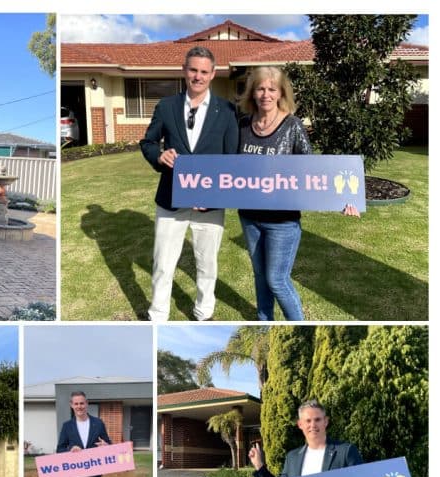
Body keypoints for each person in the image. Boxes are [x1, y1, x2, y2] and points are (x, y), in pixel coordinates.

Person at [237, 66, 359, 321]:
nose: (266, 94)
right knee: (260, 276)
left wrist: (342, 200)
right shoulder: (243, 125)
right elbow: (225, 169)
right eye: (260, 88)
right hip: (249, 217)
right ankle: (265, 322)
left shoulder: (292, 126)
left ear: (281, 92)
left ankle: (299, 326)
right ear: (252, 92)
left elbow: (312, 173)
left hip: (282, 222)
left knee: (276, 279)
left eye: (272, 89)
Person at [140, 46, 238, 322]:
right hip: (172, 199)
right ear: (185, 71)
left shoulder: (227, 111)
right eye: (193, 70)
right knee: (163, 263)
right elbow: (147, 142)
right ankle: (158, 314)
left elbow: (231, 159)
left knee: (207, 263)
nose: (198, 76)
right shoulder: (166, 106)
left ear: (212, 74)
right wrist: (159, 155)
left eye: (204, 71)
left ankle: (204, 312)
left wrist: (216, 194)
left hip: (211, 203)